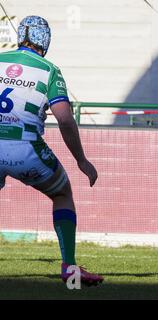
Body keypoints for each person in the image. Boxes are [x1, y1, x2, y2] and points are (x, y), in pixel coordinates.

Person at [0, 16, 103, 286]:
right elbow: (65, 119)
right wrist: (82, 160)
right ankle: (69, 266)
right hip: (25, 148)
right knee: (62, 192)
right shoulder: (49, 70)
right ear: (44, 40)